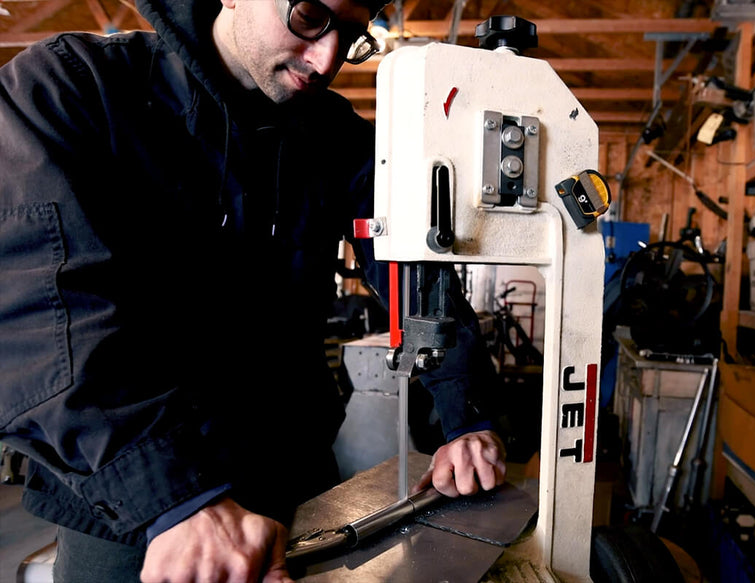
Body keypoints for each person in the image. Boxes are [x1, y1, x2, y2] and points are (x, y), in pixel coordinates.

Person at [0, 0, 507, 581]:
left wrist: (466, 416)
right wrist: (175, 499)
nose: (327, 59)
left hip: (290, 480)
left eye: (351, 35)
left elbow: (413, 275)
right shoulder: (72, 88)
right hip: (131, 508)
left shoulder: (338, 139)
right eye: (311, 15)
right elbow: (42, 314)